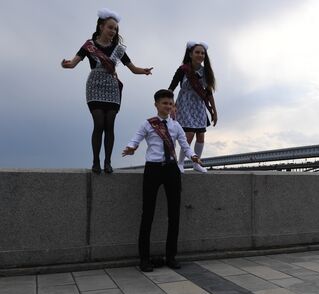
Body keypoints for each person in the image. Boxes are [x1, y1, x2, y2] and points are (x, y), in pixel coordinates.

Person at [61, 8, 153, 174]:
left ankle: (108, 162)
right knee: (99, 123)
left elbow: (132, 68)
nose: (113, 31)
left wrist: (144, 70)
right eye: (110, 27)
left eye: (115, 28)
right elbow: (74, 62)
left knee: (110, 124)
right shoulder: (89, 45)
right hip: (94, 86)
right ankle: (96, 161)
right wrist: (66, 64)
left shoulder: (118, 49)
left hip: (112, 88)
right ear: (101, 26)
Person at [122, 89, 202, 272]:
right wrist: (131, 147)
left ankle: (171, 256)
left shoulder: (176, 126)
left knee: (174, 214)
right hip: (153, 169)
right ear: (156, 104)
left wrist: (194, 156)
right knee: (147, 214)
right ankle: (144, 258)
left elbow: (185, 146)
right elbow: (136, 140)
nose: (168, 106)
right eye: (164, 103)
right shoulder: (148, 124)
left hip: (171, 170)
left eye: (170, 103)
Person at [168, 41, 218, 173]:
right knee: (188, 134)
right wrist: (172, 106)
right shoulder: (183, 69)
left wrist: (214, 111)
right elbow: (170, 89)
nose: (200, 55)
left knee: (201, 135)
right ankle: (180, 163)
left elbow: (209, 93)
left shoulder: (205, 72)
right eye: (197, 52)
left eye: (202, 53)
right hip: (184, 104)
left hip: (199, 105)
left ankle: (196, 163)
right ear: (190, 54)